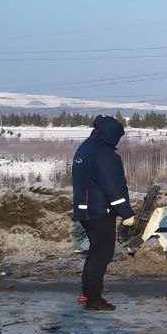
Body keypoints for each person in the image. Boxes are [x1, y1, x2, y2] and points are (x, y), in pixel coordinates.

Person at [71, 114, 135, 311]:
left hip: (85, 209)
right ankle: (93, 299)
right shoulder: (104, 155)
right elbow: (113, 188)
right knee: (102, 254)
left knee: (95, 252)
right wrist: (126, 213)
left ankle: (87, 293)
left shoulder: (87, 146)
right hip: (99, 211)